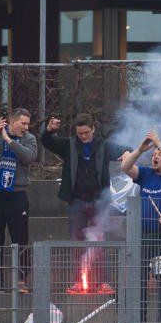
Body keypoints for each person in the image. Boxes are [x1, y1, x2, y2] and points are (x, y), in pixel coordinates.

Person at [41, 113, 129, 295]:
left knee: (101, 241)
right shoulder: (69, 145)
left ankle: (103, 282)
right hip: (77, 201)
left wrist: (127, 153)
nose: (83, 136)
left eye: (86, 132)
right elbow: (47, 142)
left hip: (99, 201)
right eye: (80, 133)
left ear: (93, 129)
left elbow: (125, 150)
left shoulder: (103, 146)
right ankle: (77, 281)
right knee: (76, 242)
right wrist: (49, 131)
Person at [120, 130, 161, 323]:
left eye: (160, 155)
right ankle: (140, 321)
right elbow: (125, 166)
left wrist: (160, 143)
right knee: (139, 276)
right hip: (144, 234)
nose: (155, 157)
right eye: (154, 154)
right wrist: (140, 149)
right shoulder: (146, 174)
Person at [0, 108, 38, 292]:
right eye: (23, 123)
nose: (26, 127)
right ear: (12, 121)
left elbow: (29, 157)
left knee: (20, 238)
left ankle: (21, 278)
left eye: (28, 124)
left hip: (17, 193)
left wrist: (9, 141)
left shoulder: (29, 138)